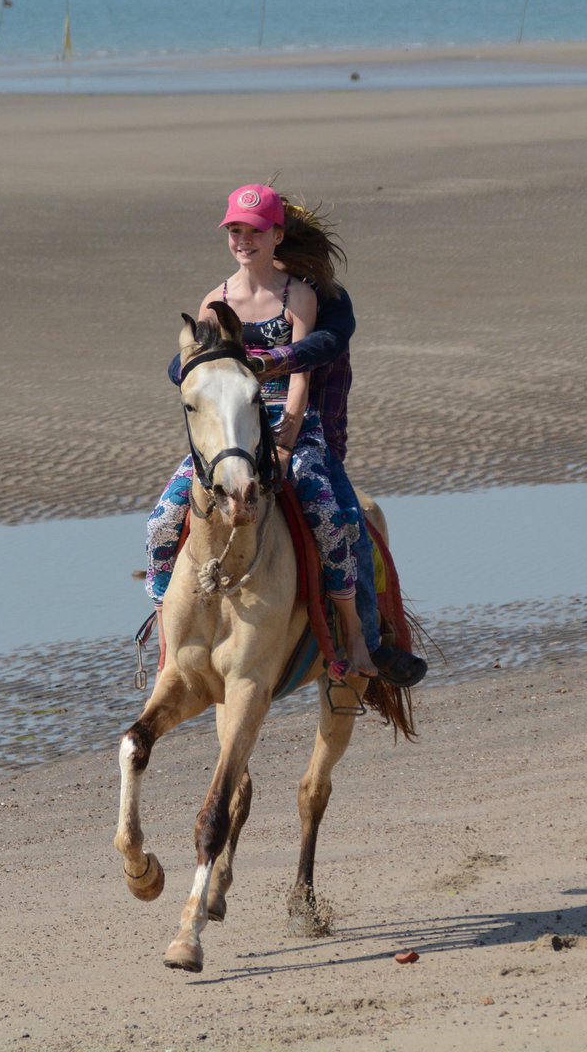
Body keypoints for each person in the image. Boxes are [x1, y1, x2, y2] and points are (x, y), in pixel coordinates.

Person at [148, 184, 426, 686]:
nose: (243, 240)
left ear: (277, 235)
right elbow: (198, 373)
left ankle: (359, 636)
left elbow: (302, 375)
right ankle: (167, 627)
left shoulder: (297, 294)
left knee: (334, 515)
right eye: (235, 230)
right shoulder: (216, 298)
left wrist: (285, 436)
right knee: (162, 521)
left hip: (289, 423)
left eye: (254, 231)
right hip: (233, 428)